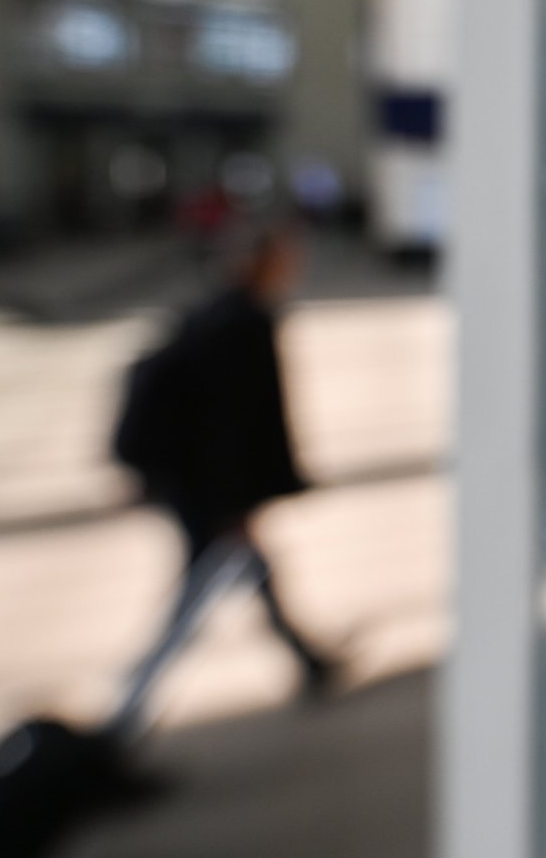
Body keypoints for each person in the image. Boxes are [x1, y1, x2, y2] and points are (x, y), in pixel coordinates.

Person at [113, 219, 337, 722]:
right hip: (203, 485)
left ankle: (308, 659)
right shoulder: (242, 326)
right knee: (199, 588)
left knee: (250, 569)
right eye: (286, 259)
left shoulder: (221, 315)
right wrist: (234, 503)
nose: (294, 269)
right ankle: (129, 704)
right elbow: (231, 427)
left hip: (193, 479)